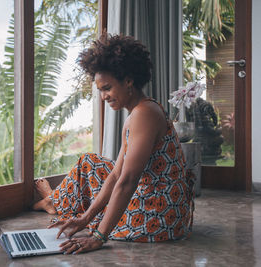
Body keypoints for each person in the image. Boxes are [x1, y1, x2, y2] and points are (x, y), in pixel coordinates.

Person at [33, 34, 195, 254]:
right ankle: (54, 201)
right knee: (89, 162)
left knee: (98, 189)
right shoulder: (141, 111)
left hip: (157, 217)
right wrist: (85, 218)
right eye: (100, 90)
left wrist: (99, 236)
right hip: (160, 207)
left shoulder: (144, 115)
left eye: (107, 88)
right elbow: (116, 173)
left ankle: (52, 200)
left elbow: (128, 180)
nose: (103, 96)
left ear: (128, 81)